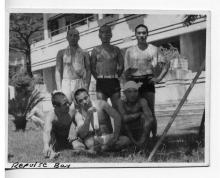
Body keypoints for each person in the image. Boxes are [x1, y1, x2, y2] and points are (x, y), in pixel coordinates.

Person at [124, 24, 170, 139]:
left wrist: (158, 78)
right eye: (139, 33)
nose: (141, 35)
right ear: (135, 35)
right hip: (134, 82)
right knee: (135, 110)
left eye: (144, 33)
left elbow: (166, 65)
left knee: (150, 110)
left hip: (148, 81)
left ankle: (154, 137)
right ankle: (139, 136)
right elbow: (126, 71)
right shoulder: (130, 51)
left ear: (147, 34)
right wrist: (127, 86)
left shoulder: (154, 49)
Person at [43, 91, 86, 159]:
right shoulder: (51, 116)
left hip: (68, 140)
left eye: (68, 102)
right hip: (56, 142)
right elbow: (47, 131)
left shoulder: (72, 111)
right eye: (65, 104)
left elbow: (80, 123)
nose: (68, 105)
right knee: (49, 150)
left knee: (79, 147)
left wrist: (76, 130)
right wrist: (46, 145)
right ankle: (51, 152)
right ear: (56, 106)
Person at [91, 25, 124, 110]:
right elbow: (92, 68)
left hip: (114, 82)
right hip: (101, 82)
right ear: (99, 35)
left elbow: (121, 65)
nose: (105, 34)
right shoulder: (95, 50)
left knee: (117, 110)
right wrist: (99, 78)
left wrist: (116, 76)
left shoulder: (116, 49)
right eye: (102, 32)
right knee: (102, 112)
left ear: (111, 34)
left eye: (107, 32)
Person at [55, 28, 91, 103]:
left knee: (81, 106)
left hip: (79, 82)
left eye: (75, 35)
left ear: (79, 37)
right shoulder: (61, 53)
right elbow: (58, 70)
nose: (72, 38)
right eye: (70, 35)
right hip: (66, 83)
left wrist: (86, 86)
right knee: (65, 105)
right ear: (67, 37)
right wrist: (59, 88)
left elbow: (88, 70)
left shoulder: (85, 53)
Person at [117, 81, 153, 147]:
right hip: (126, 132)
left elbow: (150, 119)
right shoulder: (121, 102)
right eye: (129, 92)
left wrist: (142, 139)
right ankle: (134, 143)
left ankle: (142, 142)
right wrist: (138, 114)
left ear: (138, 92)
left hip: (140, 131)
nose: (132, 94)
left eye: (135, 91)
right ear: (124, 93)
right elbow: (124, 119)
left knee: (145, 117)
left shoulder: (142, 101)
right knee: (123, 123)